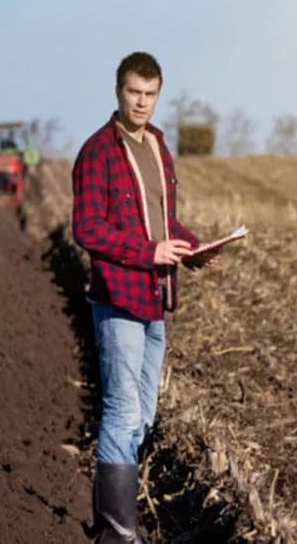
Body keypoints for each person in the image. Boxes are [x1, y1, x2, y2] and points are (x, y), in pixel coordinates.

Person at [72, 51, 219, 543]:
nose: (142, 102)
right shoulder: (98, 151)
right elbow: (87, 229)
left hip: (155, 297)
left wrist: (191, 247)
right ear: (118, 92)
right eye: (134, 92)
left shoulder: (157, 145)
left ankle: (115, 517)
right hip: (117, 298)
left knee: (144, 412)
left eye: (150, 94)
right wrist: (148, 251)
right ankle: (116, 534)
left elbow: (161, 224)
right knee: (122, 410)